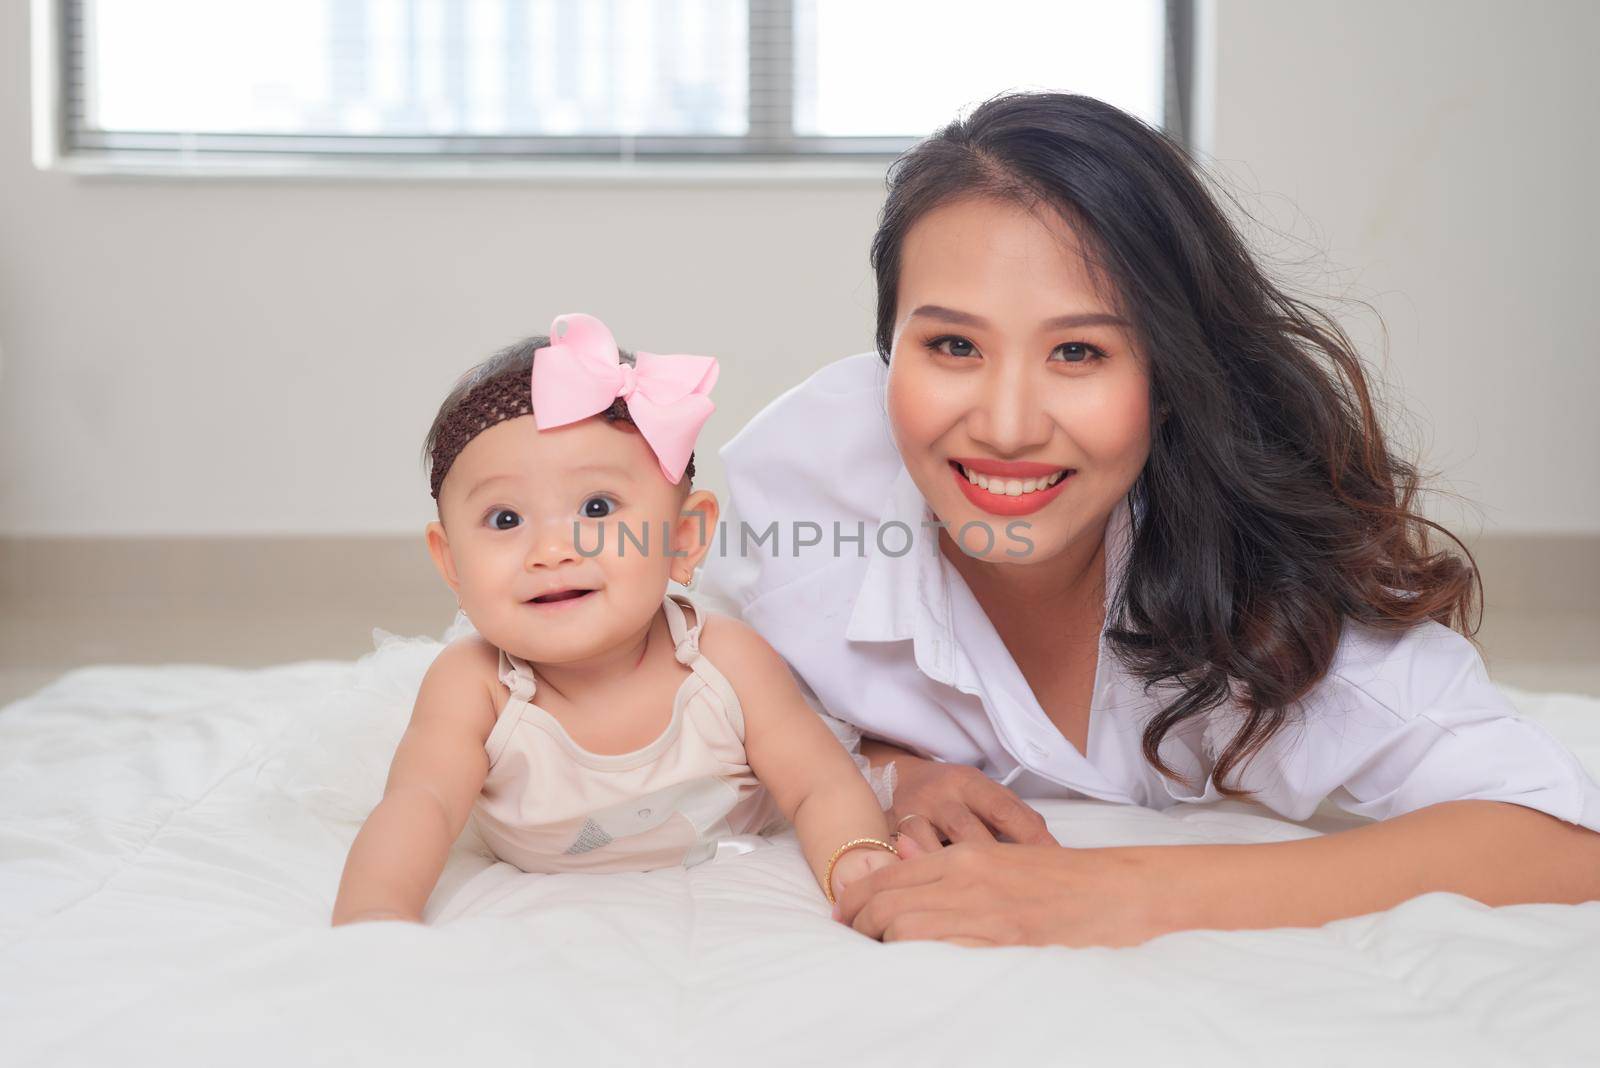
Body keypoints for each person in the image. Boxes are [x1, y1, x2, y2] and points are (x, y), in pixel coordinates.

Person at [699, 93, 1600, 948]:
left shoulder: (1265, 594)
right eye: (953, 346)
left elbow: (1561, 836)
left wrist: (1122, 891)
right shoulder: (808, 489)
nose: (1007, 426)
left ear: (1170, 375)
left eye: (1079, 351)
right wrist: (901, 770)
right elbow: (727, 706)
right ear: (889, 349)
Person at [331, 313, 896, 926]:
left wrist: (857, 860)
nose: (552, 551)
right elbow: (424, 804)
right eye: (504, 520)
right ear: (451, 563)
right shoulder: (476, 685)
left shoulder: (725, 661)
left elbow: (819, 784)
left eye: (596, 508)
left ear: (683, 537)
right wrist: (375, 912)